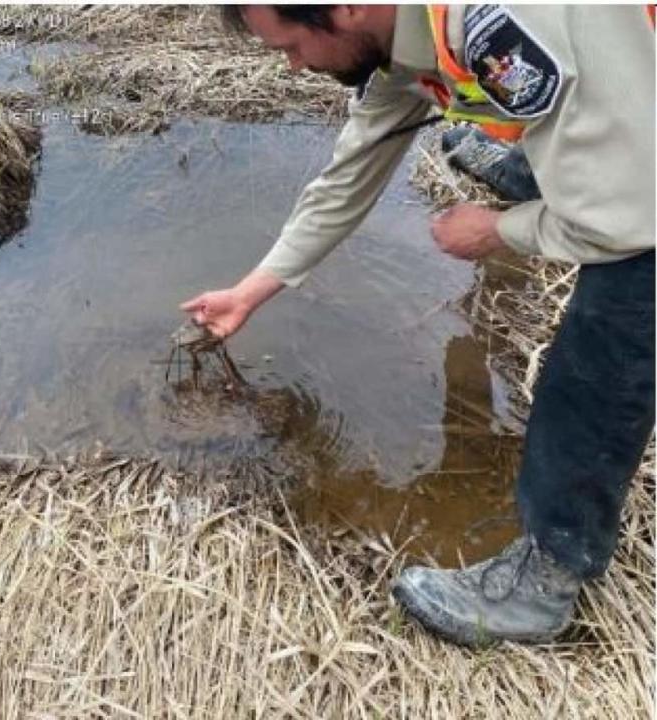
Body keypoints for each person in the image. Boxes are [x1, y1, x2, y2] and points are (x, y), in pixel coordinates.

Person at [180, 5, 655, 647]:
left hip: (641, 173)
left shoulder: (496, 27)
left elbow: (630, 219)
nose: (293, 67)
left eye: (290, 46)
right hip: (612, 87)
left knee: (610, 332)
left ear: (344, 7)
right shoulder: (403, 29)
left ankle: (550, 571)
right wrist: (249, 292)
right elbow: (350, 171)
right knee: (564, 130)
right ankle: (535, 155)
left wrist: (498, 230)